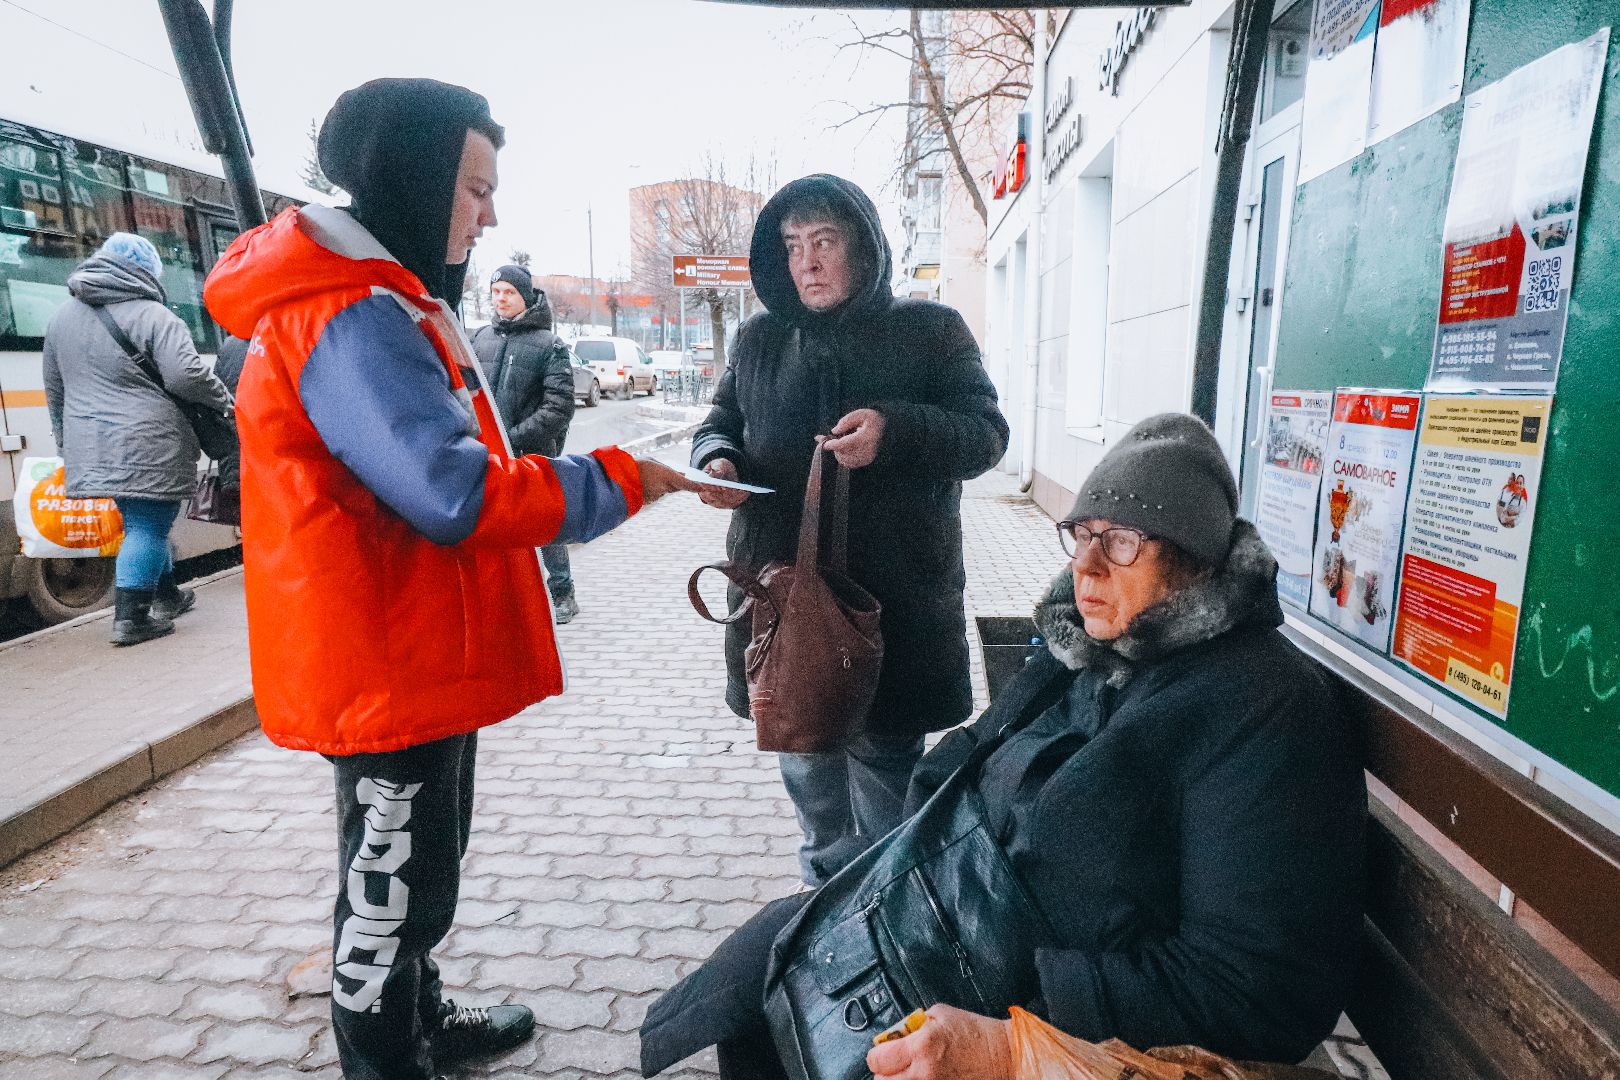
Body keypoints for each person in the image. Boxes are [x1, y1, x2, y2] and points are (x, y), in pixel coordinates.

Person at [202, 78, 699, 1080]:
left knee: (420, 872)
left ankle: (419, 1016)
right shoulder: (349, 316)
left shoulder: (379, 300)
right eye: (476, 187)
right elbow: (454, 492)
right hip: (381, 663)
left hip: (408, 653)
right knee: (386, 892)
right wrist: (624, 478)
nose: (491, 212)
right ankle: (384, 1061)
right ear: (414, 180)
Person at [642, 414, 1367, 1080]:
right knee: (762, 981)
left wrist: (1020, 1023)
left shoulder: (1263, 709)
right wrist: (890, 880)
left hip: (1045, 999)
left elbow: (1255, 989)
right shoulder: (1090, 646)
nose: (1086, 568)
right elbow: (972, 756)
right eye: (1082, 534)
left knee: (808, 1036)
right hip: (951, 913)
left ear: (1194, 559)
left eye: (1120, 542)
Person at [691, 174, 1009, 887]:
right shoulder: (759, 340)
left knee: (889, 793)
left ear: (864, 249)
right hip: (785, 614)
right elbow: (721, 422)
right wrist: (715, 458)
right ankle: (825, 907)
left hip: (895, 612)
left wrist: (894, 434)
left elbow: (986, 435)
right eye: (793, 245)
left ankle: (887, 916)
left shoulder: (932, 331)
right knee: (810, 778)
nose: (807, 262)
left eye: (825, 242)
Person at [42, 232, 234, 645]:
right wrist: (224, 399)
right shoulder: (153, 315)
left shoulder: (61, 318)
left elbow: (55, 390)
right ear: (147, 272)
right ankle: (132, 618)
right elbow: (185, 374)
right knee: (148, 524)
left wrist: (65, 444)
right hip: (149, 440)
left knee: (139, 521)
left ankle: (166, 595)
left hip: (91, 443)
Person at [470, 265, 582, 622]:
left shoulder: (550, 345)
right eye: (496, 292)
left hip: (532, 453)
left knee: (543, 524)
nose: (501, 299)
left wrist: (512, 438)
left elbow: (559, 407)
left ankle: (562, 592)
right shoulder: (479, 338)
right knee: (493, 525)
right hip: (487, 452)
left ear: (526, 297)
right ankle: (503, 596)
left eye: (509, 292)